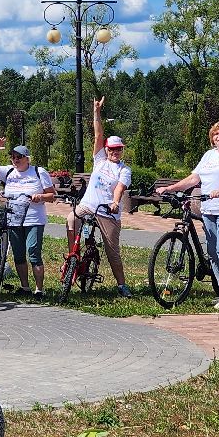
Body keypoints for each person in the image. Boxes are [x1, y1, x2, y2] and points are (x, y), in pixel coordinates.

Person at [161, 120, 219, 309]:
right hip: (209, 209)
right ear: (211, 138)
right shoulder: (209, 156)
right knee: (212, 252)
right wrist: (170, 188)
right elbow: (194, 178)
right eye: (215, 134)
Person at [0, 137, 57, 296]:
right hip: (13, 218)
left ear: (27, 158)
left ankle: (39, 290)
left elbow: (52, 195)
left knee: (33, 251)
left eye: (19, 157)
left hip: (33, 218)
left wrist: (40, 197)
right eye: (13, 157)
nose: (15, 160)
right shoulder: (8, 171)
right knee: (19, 253)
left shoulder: (38, 172)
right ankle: (25, 287)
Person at [74, 97, 132, 296]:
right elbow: (98, 135)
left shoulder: (124, 169)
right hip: (89, 205)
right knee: (71, 220)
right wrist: (96, 112)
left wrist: (115, 202)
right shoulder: (99, 160)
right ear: (106, 149)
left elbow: (120, 188)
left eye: (118, 149)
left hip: (108, 211)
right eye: (112, 149)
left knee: (112, 251)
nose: (115, 152)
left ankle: (122, 285)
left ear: (122, 150)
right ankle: (74, 256)